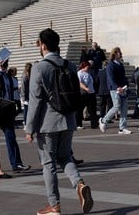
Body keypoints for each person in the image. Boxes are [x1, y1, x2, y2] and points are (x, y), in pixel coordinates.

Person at [24, 28, 94, 215]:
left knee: (48, 163)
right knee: (65, 157)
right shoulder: (69, 65)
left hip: (47, 123)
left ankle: (54, 205)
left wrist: (29, 128)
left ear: (44, 45)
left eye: (39, 44)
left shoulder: (39, 68)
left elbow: (35, 101)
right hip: (68, 119)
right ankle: (79, 184)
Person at [98, 47, 131, 134]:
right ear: (114, 53)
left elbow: (123, 77)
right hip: (115, 89)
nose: (121, 53)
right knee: (117, 106)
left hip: (123, 88)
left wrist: (126, 84)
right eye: (119, 52)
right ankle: (103, 121)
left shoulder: (120, 64)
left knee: (124, 108)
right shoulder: (110, 65)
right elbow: (110, 78)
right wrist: (116, 87)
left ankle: (122, 128)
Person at [77, 61, 98, 128]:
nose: (88, 68)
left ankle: (94, 124)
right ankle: (78, 124)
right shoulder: (80, 73)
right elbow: (79, 83)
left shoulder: (89, 73)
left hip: (91, 92)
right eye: (87, 67)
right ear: (83, 67)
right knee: (80, 109)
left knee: (92, 109)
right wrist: (85, 88)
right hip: (84, 93)